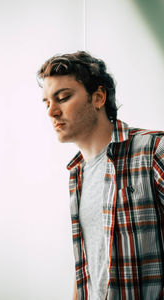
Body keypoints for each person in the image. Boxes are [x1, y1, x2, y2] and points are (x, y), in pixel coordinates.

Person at [37, 51, 164, 300]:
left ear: (98, 97)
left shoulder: (153, 151)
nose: (51, 111)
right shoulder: (77, 175)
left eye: (62, 98)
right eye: (47, 102)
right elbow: (87, 266)